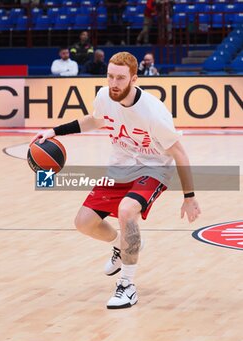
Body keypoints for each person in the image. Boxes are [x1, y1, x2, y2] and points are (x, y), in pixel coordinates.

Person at [31, 52, 201, 310]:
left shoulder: (153, 113)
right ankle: (122, 246)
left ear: (134, 78)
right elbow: (94, 121)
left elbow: (179, 153)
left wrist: (189, 197)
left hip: (153, 168)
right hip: (120, 166)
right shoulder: (104, 96)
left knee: (126, 211)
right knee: (84, 223)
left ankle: (127, 285)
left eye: (120, 78)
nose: (114, 83)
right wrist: (54, 131)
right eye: (110, 76)